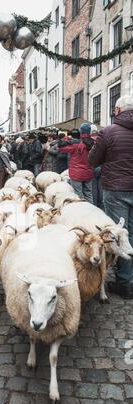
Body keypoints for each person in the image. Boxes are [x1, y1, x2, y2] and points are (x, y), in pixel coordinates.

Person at [89, 95, 133, 299]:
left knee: (118, 233)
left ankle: (124, 282)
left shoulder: (109, 131)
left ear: (117, 110)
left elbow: (93, 160)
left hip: (116, 189)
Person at [58, 123, 94, 203]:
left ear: (81, 132)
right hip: (88, 173)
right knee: (89, 194)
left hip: (76, 173)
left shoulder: (76, 144)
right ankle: (91, 211)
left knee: (78, 196)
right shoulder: (94, 143)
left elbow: (61, 148)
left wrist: (67, 139)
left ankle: (81, 213)